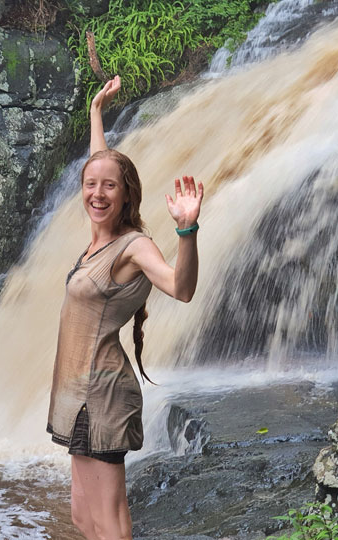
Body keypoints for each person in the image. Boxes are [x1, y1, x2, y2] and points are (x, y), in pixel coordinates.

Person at [46, 75, 203, 540]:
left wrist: (187, 232)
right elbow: (101, 163)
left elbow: (181, 287)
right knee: (81, 518)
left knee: (110, 521)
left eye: (109, 187)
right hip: (76, 391)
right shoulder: (100, 240)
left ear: (126, 194)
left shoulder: (133, 247)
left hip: (103, 394)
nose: (97, 193)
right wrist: (96, 111)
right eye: (90, 185)